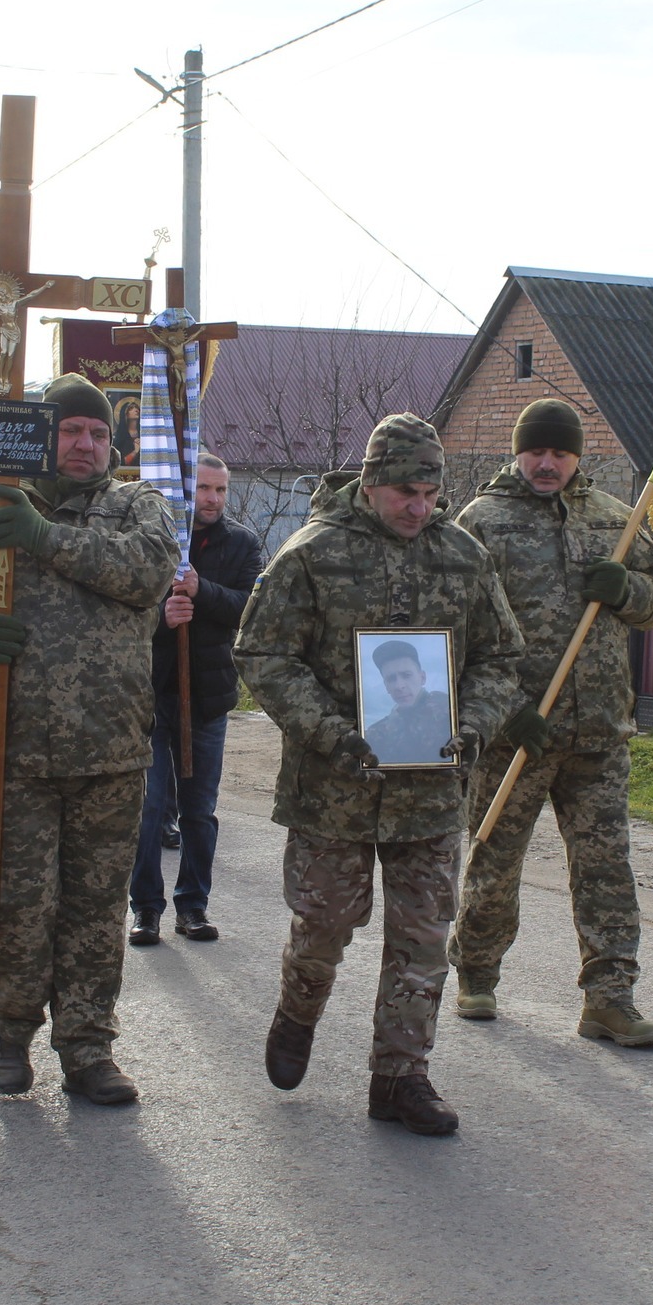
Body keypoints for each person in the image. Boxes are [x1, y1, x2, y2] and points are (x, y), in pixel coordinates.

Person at [0, 373, 178, 1105]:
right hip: (7, 750)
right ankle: (11, 1034)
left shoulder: (133, 506)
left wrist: (44, 538)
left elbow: (147, 573)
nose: (85, 444)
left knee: (94, 910)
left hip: (111, 754)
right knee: (18, 902)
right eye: (70, 430)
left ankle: (87, 1046)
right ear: (39, 435)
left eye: (96, 433)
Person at [234, 413, 523, 1136]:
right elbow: (263, 653)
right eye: (403, 491)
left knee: (423, 937)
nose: (418, 506)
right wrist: (331, 732)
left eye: (429, 492)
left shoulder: (462, 556)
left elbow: (500, 655)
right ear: (369, 485)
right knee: (325, 922)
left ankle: (401, 1075)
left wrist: (475, 724)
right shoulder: (312, 554)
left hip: (429, 790)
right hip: (335, 786)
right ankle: (299, 1009)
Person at [449, 399, 653, 1047]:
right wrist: (504, 710)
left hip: (600, 732)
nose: (547, 463)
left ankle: (610, 997)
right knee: (495, 859)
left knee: (607, 867)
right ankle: (476, 971)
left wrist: (626, 590)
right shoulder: (482, 523)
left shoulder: (618, 522)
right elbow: (455, 625)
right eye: (536, 451)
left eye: (560, 452)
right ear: (518, 451)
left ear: (578, 454)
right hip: (515, 732)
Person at [128, 452, 265, 947]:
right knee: (147, 810)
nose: (211, 499)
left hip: (206, 698)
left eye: (220, 490)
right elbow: (124, 609)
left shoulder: (242, 544)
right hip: (151, 694)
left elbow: (250, 609)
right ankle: (145, 908)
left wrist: (200, 589)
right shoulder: (154, 541)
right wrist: (162, 615)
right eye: (203, 489)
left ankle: (193, 906)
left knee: (199, 812)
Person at [363, 639, 454, 766]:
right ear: (386, 686)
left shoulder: (452, 712)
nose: (399, 686)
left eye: (406, 675)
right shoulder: (378, 733)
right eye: (391, 679)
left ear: (422, 678)